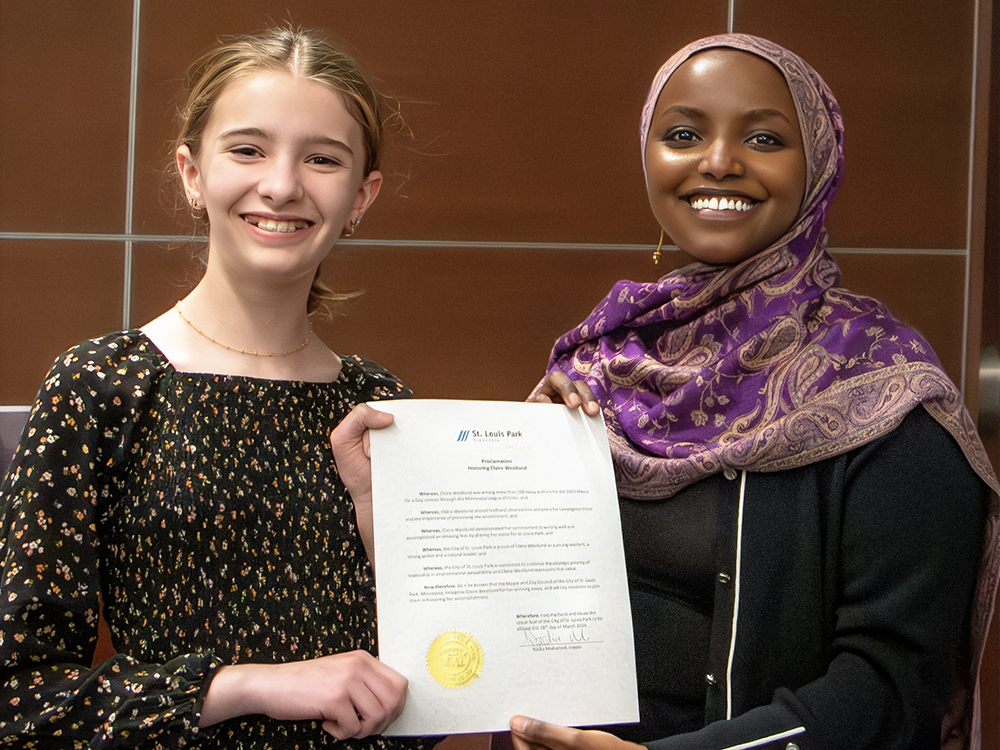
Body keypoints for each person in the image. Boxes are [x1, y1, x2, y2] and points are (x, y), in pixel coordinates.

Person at [506, 34, 999, 750]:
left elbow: (891, 690)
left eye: (764, 137)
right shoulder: (595, 364)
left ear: (818, 164)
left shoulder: (886, 390)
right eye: (682, 134)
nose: (718, 161)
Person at [0, 27, 438, 750]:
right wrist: (252, 683)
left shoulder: (381, 407)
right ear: (191, 172)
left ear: (361, 196)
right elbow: (21, 698)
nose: (282, 184)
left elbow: (443, 678)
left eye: (322, 158)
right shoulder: (102, 385)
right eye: (248, 149)